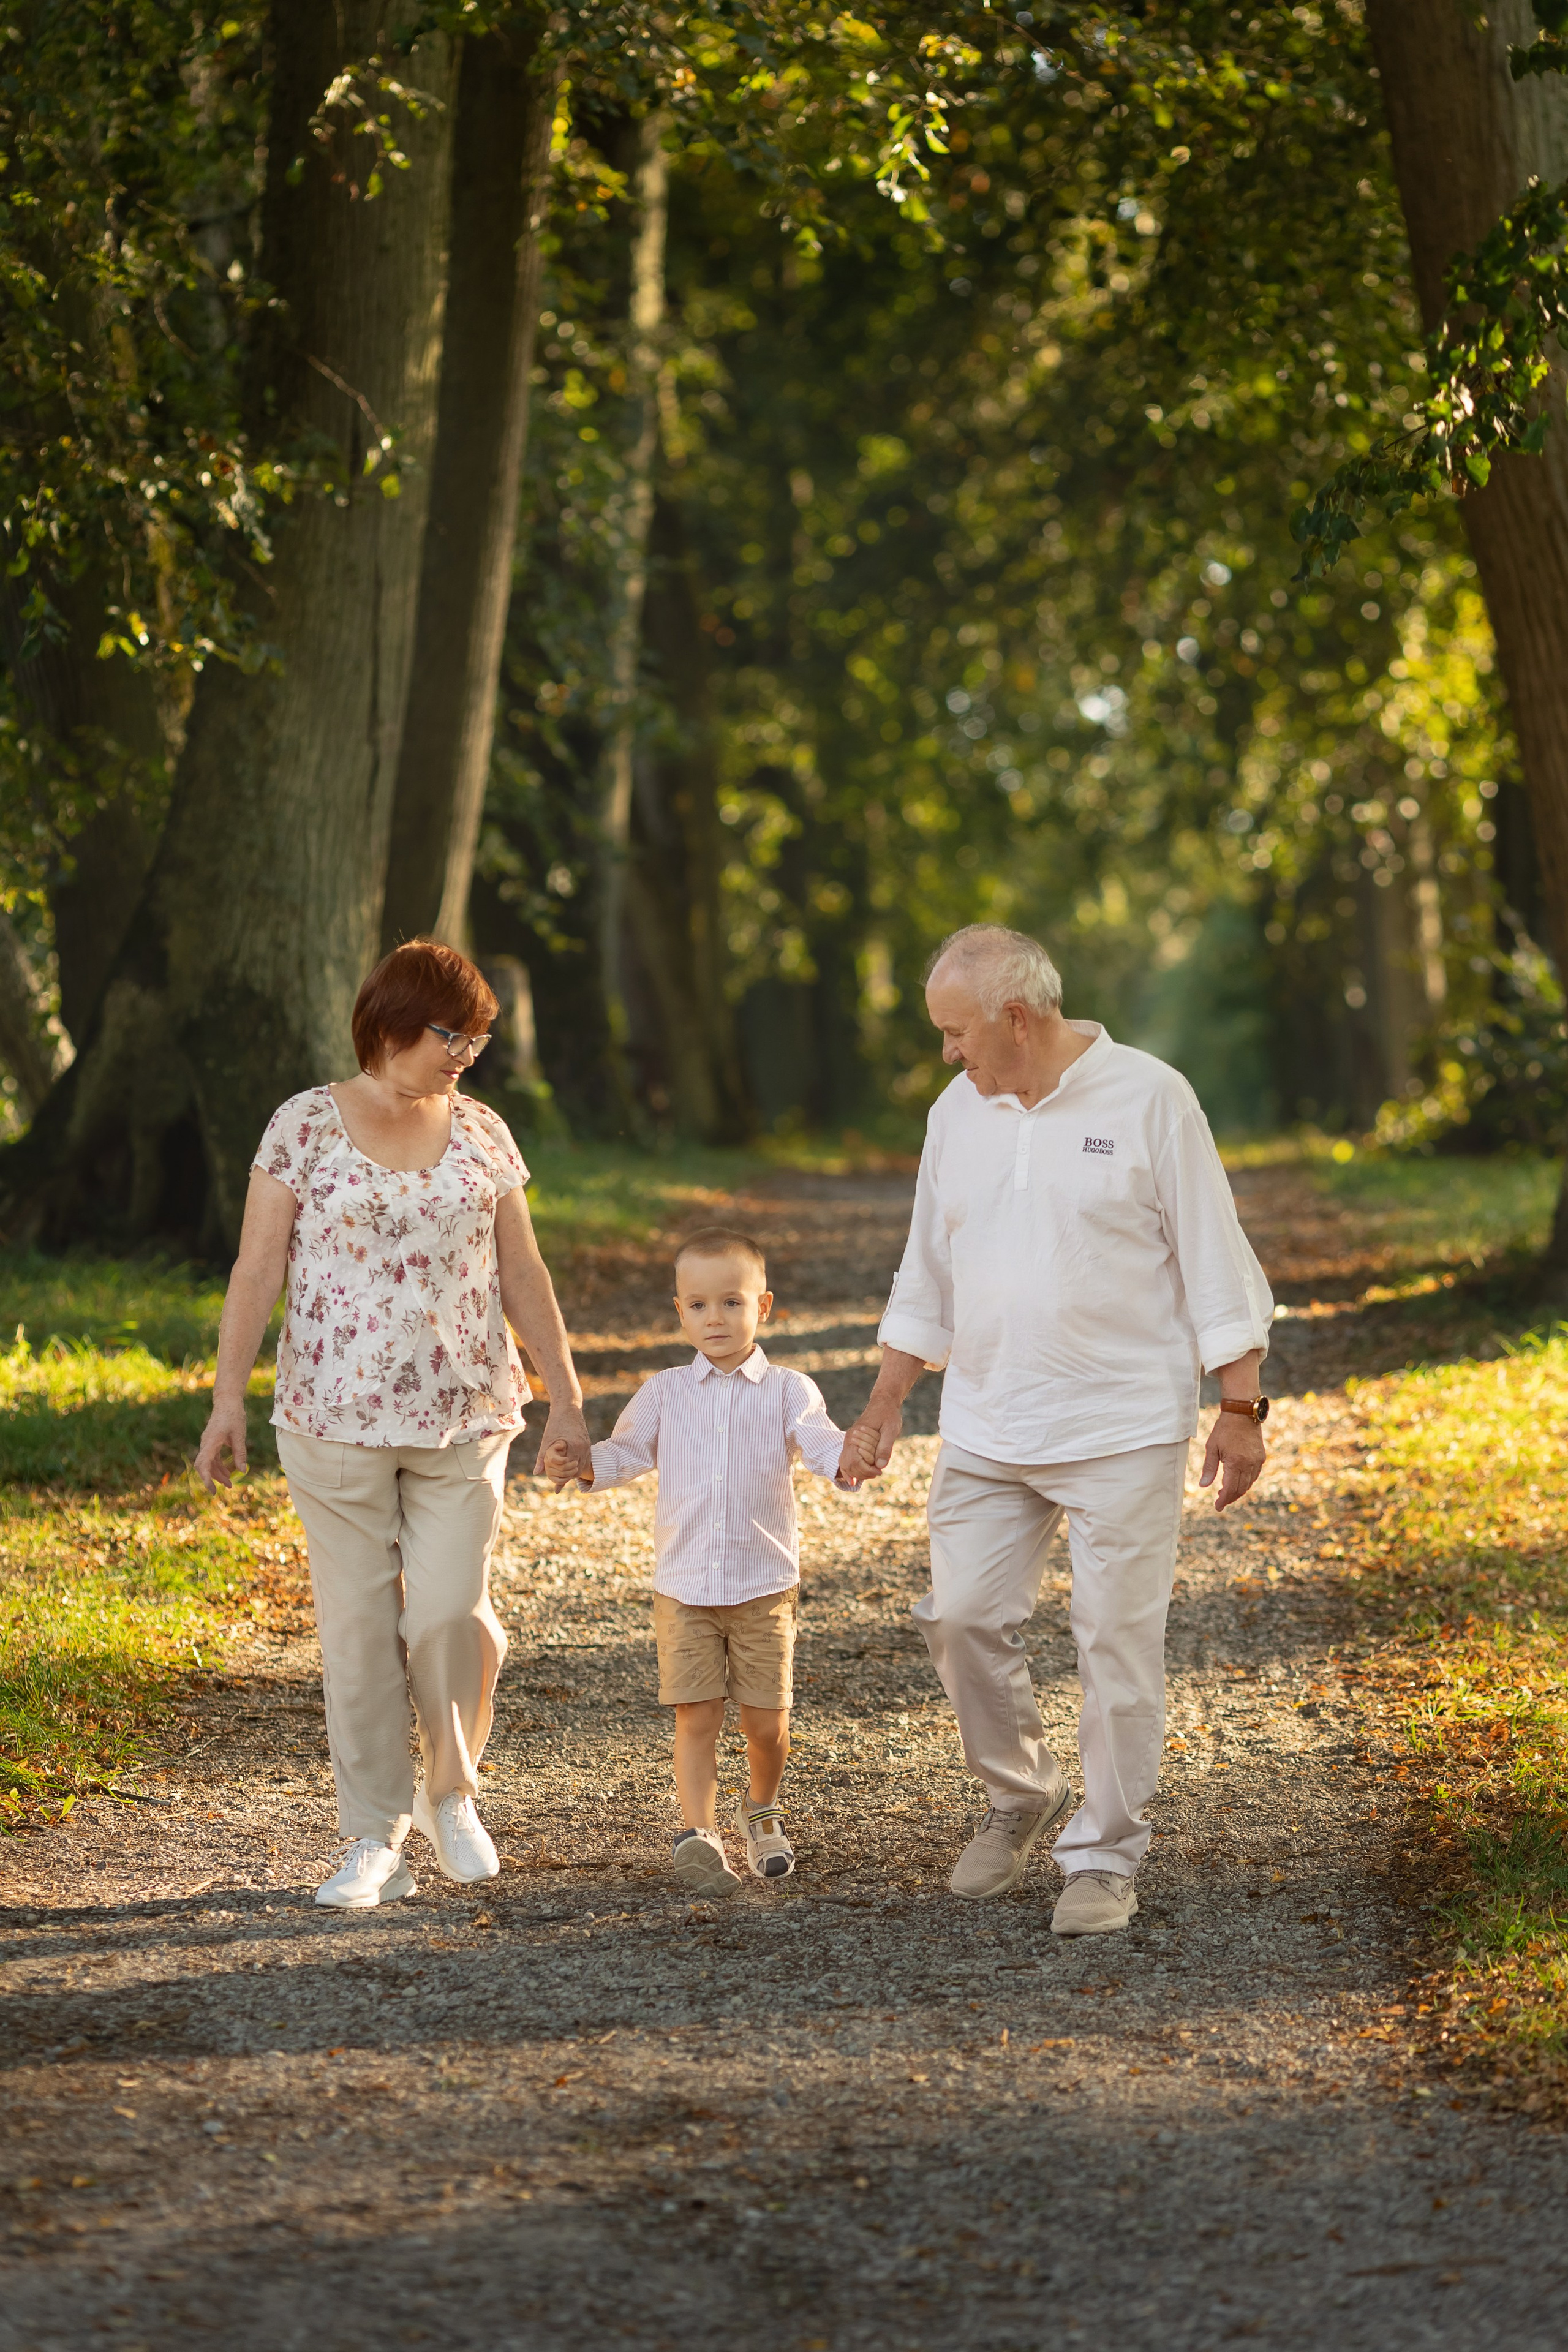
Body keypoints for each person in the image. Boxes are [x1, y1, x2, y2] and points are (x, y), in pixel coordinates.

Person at [842, 924, 1273, 1937]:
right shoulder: (957, 1113)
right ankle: (1021, 1790)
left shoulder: (1151, 1098)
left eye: (957, 1031)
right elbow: (926, 1272)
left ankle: (1105, 1858)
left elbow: (1216, 1258)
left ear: (1017, 1018)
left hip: (1124, 1424)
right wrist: (885, 1400)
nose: (946, 1052)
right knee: (959, 1617)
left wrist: (1239, 1407)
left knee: (1116, 1646)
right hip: (989, 1422)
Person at [194, 939, 590, 1910]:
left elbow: (523, 1271)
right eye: (453, 1035)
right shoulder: (303, 1126)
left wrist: (568, 1396)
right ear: (393, 1023)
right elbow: (257, 1268)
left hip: (466, 1413)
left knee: (451, 1613)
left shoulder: (484, 1131)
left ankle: (451, 1793)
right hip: (331, 1419)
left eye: (478, 1040)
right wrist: (226, 1399)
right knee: (361, 1634)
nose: (466, 1055)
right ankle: (374, 1837)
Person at [545, 1226, 858, 1895]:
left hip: (762, 1587)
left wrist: (851, 1459)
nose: (714, 1318)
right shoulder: (665, 1392)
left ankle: (761, 1808)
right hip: (684, 1587)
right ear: (679, 1311)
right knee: (697, 1714)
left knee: (765, 1723)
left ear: (762, 1306)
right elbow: (627, 1452)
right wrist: (581, 1465)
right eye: (698, 1305)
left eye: (731, 1303)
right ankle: (699, 1834)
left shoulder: (788, 1390)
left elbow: (823, 1446)